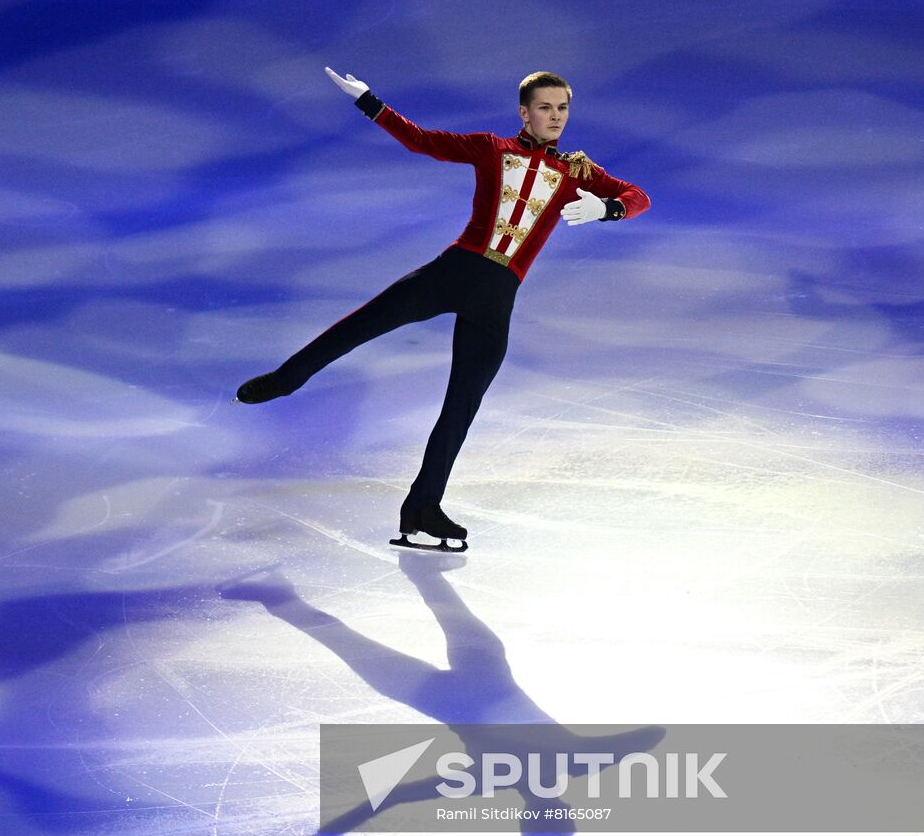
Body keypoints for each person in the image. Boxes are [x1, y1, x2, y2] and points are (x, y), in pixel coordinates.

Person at [237, 68, 650, 551]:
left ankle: (423, 507)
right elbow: (422, 141)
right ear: (524, 112)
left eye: (562, 108)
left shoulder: (578, 172)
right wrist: (370, 102)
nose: (555, 116)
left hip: (497, 299)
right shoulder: (491, 148)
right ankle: (287, 378)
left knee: (460, 410)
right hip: (453, 272)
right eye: (545, 107)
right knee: (362, 324)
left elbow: (638, 196)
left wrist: (609, 209)